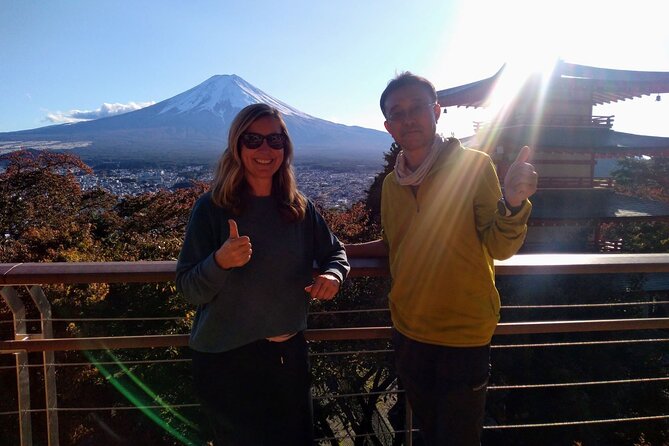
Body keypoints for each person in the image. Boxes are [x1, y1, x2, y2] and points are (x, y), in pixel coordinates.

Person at [346, 72, 538, 446]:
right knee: (429, 431)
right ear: (388, 126)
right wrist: (342, 251)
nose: (408, 118)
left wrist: (514, 204)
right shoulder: (391, 184)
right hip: (408, 329)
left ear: (436, 111)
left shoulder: (474, 166)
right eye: (397, 113)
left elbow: (498, 247)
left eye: (417, 107)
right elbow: (396, 243)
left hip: (463, 333)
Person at [176, 103, 350, 446]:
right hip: (226, 362)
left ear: (286, 147)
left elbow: (335, 252)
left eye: (275, 139)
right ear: (237, 147)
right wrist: (220, 261)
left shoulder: (298, 207)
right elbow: (188, 288)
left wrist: (333, 274)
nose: (265, 149)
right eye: (253, 139)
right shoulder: (211, 209)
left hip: (288, 357)